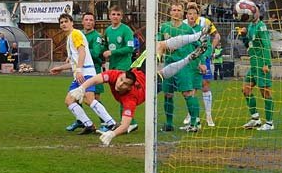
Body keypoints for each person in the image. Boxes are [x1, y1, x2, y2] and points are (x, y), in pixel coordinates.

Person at [70, 39, 209, 146]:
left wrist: (112, 134)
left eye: (125, 84)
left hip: (145, 74)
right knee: (162, 70)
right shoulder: (116, 74)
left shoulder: (130, 99)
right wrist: (82, 88)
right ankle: (190, 57)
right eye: (121, 80)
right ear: (121, 75)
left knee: (159, 46)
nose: (120, 84)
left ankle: (194, 41)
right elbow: (95, 79)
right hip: (150, 82)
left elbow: (124, 125)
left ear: (130, 88)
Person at [50, 13, 115, 134]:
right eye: (61, 22)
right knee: (70, 100)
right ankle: (89, 125)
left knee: (88, 99)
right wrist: (61, 68)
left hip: (85, 72)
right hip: (81, 72)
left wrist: (79, 70)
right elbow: (75, 61)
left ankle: (111, 123)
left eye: (66, 21)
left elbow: (82, 52)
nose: (63, 24)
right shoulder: (70, 37)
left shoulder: (75, 34)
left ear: (72, 23)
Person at [158, 3, 201, 132]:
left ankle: (195, 123)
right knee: (168, 94)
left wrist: (200, 61)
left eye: (179, 10)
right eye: (174, 10)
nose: (176, 12)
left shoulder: (187, 29)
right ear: (170, 12)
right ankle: (169, 123)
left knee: (187, 93)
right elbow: (158, 44)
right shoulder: (164, 28)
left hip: (183, 66)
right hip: (168, 65)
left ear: (183, 13)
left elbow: (199, 44)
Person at [66, 12, 108, 132]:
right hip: (80, 70)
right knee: (76, 95)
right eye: (86, 19)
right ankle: (81, 121)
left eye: (91, 20)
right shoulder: (77, 34)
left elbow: (95, 53)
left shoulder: (97, 36)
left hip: (93, 69)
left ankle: (105, 123)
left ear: (94, 22)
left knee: (94, 97)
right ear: (82, 22)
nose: (88, 22)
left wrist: (80, 50)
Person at [182, 2, 220, 128]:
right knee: (190, 87)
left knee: (205, 84)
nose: (191, 14)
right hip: (189, 60)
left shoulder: (205, 22)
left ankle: (208, 115)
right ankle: (191, 114)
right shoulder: (183, 25)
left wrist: (209, 52)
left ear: (198, 11)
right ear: (186, 13)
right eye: (189, 11)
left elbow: (216, 36)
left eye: (194, 11)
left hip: (203, 58)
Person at [239, 0, 274, 131]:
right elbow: (249, 45)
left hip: (261, 65)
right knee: (246, 90)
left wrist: (267, 64)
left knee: (265, 93)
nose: (255, 11)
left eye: (257, 9)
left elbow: (266, 45)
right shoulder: (251, 27)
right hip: (253, 66)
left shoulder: (261, 26)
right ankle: (255, 119)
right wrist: (243, 36)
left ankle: (270, 123)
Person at [102, 5, 137, 130]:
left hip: (124, 65)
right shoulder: (108, 31)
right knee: (118, 94)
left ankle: (128, 122)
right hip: (113, 66)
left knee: (124, 93)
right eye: (113, 14)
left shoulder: (126, 30)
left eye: (118, 14)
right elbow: (104, 46)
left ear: (121, 16)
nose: (115, 17)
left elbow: (130, 48)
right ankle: (129, 121)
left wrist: (112, 53)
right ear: (109, 15)